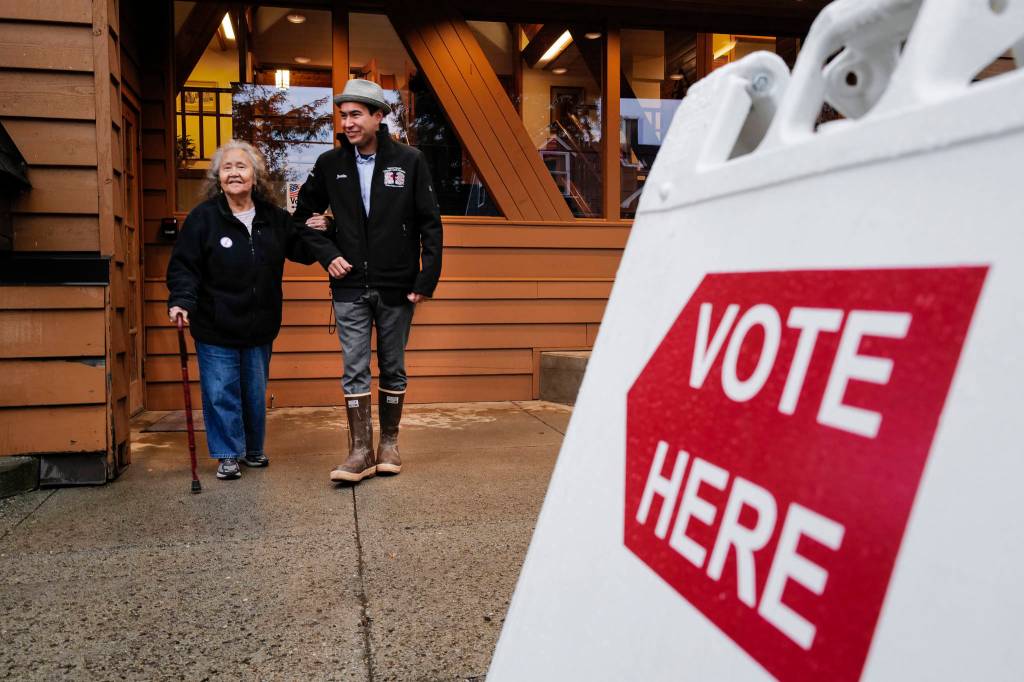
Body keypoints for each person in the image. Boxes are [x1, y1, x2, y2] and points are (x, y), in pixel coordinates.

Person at [293, 79, 443, 484]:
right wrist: (329, 253)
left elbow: (430, 224)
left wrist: (425, 279)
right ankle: (360, 451)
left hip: (397, 286)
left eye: (357, 114)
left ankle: (389, 443)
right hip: (349, 288)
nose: (348, 122)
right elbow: (300, 221)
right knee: (354, 368)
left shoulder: (409, 161)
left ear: (379, 116)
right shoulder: (330, 165)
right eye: (344, 115)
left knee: (393, 365)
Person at [167, 140, 322, 480]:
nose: (234, 173)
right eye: (227, 168)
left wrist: (323, 228)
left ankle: (252, 449)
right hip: (215, 323)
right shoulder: (204, 219)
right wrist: (181, 300)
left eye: (242, 167)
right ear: (217, 177)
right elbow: (184, 267)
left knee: (253, 391)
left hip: (259, 324)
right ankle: (227, 454)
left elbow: (304, 251)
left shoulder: (274, 219)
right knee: (221, 389)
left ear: (255, 176)